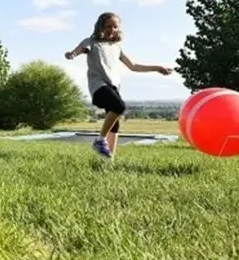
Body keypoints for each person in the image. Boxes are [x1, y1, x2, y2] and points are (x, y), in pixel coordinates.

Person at [64, 11, 173, 160]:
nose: (112, 30)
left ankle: (109, 160)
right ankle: (99, 140)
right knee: (120, 107)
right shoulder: (91, 42)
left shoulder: (117, 46)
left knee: (114, 126)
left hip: (113, 87)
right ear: (101, 26)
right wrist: (72, 54)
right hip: (99, 86)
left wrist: (157, 68)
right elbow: (80, 50)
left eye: (115, 27)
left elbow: (133, 66)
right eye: (109, 26)